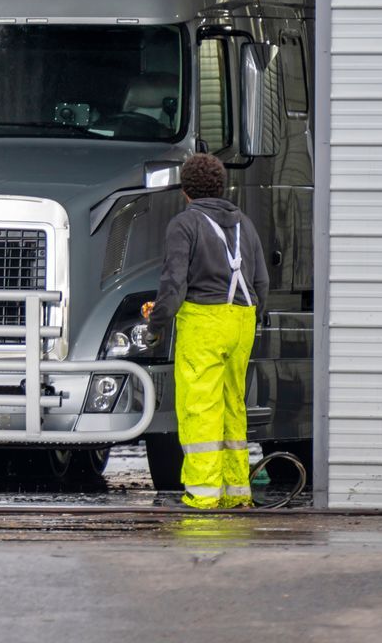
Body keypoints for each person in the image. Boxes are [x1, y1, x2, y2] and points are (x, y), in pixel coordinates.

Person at [144, 152, 268, 510]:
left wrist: (156, 326)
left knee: (201, 407)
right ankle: (236, 493)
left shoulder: (185, 224)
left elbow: (173, 284)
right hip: (241, 321)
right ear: (222, 186)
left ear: (185, 191)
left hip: (203, 322)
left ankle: (202, 495)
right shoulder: (245, 222)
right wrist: (250, 319)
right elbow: (261, 281)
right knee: (233, 405)